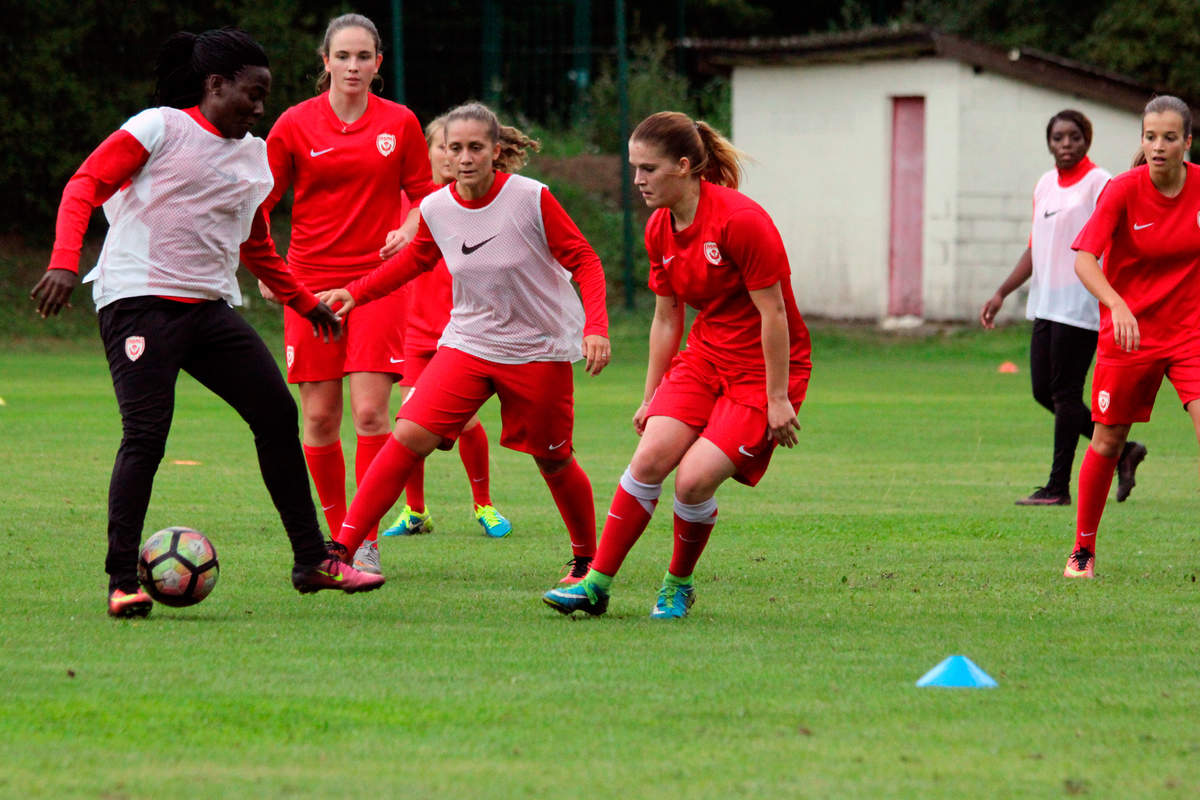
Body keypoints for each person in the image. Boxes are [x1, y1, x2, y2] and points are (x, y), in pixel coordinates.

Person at [30, 28, 385, 617]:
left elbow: (257, 246)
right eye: (251, 93)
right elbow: (84, 185)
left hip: (209, 308)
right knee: (147, 435)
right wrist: (66, 262)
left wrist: (304, 302)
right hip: (138, 300)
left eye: (265, 96)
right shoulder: (159, 128)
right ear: (215, 85)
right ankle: (122, 580)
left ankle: (311, 560)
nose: (260, 107)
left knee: (276, 413)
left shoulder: (252, 157)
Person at [318, 102, 609, 583]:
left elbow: (586, 260)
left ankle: (585, 560)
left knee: (554, 458)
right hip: (469, 344)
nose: (465, 157)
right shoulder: (436, 207)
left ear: (496, 151)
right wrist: (355, 292)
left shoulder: (530, 198)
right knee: (407, 435)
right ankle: (342, 550)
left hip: (537, 348)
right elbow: (415, 261)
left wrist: (595, 327)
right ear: (445, 155)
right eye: (456, 148)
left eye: (476, 147)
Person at [543, 110, 811, 619]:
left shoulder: (740, 221)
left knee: (691, 481)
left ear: (685, 166)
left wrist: (778, 399)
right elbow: (667, 318)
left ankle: (677, 584)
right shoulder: (659, 228)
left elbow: (774, 314)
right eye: (634, 168)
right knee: (648, 460)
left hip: (763, 368)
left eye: (648, 169)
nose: (637, 180)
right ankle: (595, 583)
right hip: (705, 356)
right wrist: (650, 396)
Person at [254, 13, 436, 576]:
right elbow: (260, 202)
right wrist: (268, 263)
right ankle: (337, 538)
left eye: (364, 57)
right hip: (308, 284)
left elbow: (427, 195)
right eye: (344, 57)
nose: (353, 66)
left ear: (379, 63)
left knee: (371, 414)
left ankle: (365, 537)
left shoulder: (400, 123)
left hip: (377, 284)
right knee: (319, 421)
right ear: (325, 60)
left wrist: (409, 228)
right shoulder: (293, 124)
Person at [1064, 95, 1200, 578]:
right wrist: (1117, 303)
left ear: (1187, 141)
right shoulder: (1122, 190)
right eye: (1149, 137)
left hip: (1190, 334)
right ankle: (1083, 551)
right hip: (1130, 335)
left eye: (1168, 137)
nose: (1158, 146)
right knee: (1108, 439)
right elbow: (1084, 259)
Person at [980, 110, 1146, 506]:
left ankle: (1058, 487)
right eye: (1058, 138)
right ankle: (1123, 450)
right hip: (1047, 304)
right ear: (1049, 142)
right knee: (1045, 392)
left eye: (1074, 137)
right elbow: (1036, 247)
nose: (1066, 144)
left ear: (1086, 139)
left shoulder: (1099, 182)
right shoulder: (1044, 184)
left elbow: (1120, 239)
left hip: (1083, 305)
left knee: (1065, 394)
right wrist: (1002, 292)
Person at [381, 115, 512, 540]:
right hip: (415, 332)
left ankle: (484, 505)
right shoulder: (409, 203)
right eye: (440, 147)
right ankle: (415, 511)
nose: (447, 156)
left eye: (454, 148)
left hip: (461, 333)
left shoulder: (472, 203)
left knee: (467, 420)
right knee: (409, 423)